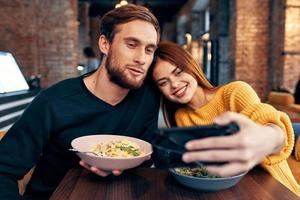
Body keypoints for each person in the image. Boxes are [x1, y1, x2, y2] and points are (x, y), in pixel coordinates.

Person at [0, 4, 160, 200]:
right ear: (105, 44)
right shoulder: (54, 101)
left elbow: (145, 162)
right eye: (131, 44)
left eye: (149, 50)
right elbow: (3, 170)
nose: (141, 58)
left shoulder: (148, 99)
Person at [150, 41, 300, 196]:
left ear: (191, 66)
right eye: (163, 82)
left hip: (277, 190)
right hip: (231, 193)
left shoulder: (235, 92)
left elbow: (269, 125)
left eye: (178, 72)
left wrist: (272, 137)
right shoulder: (181, 117)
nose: (174, 84)